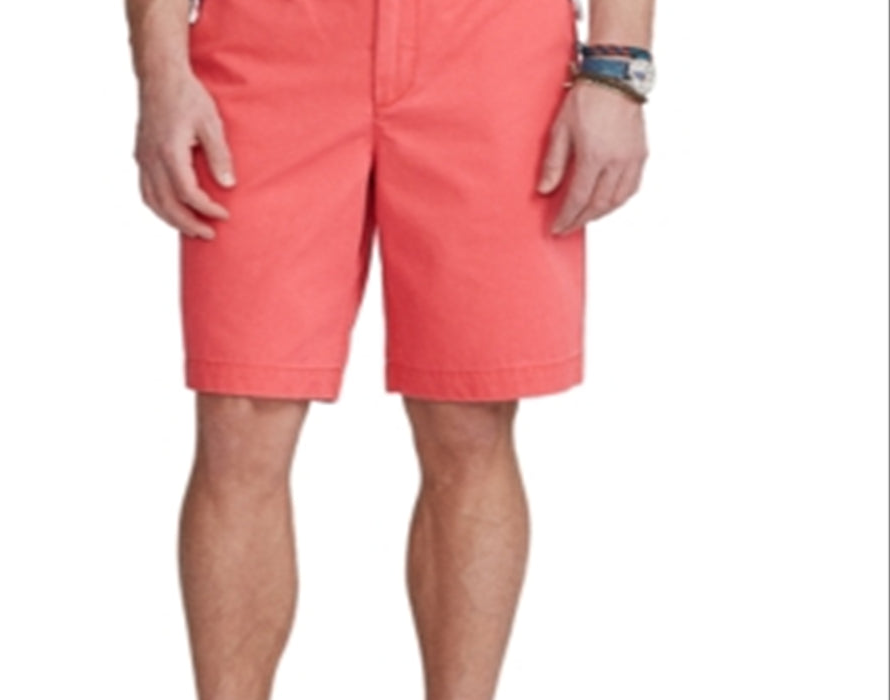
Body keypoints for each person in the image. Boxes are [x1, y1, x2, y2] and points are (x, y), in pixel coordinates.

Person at [125, 0, 654, 694]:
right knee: (240, 417)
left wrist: (616, 69)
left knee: (468, 419)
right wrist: (161, 71)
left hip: (492, 51)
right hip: (269, 47)